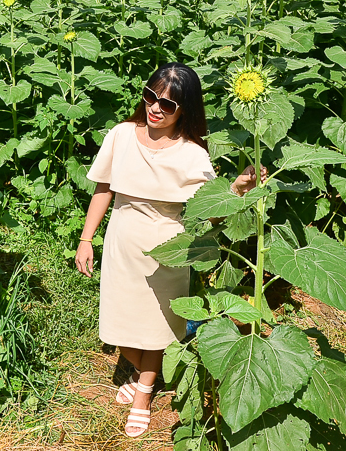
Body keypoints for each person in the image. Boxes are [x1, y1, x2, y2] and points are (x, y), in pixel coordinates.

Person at [74, 62, 263, 438]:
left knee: (159, 326)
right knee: (122, 325)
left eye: (168, 104)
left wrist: (238, 190)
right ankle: (149, 371)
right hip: (122, 240)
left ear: (186, 110)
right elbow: (104, 189)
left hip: (171, 247)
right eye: (150, 97)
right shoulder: (122, 134)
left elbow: (206, 211)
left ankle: (143, 393)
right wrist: (85, 238)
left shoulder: (193, 154)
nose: (155, 108)